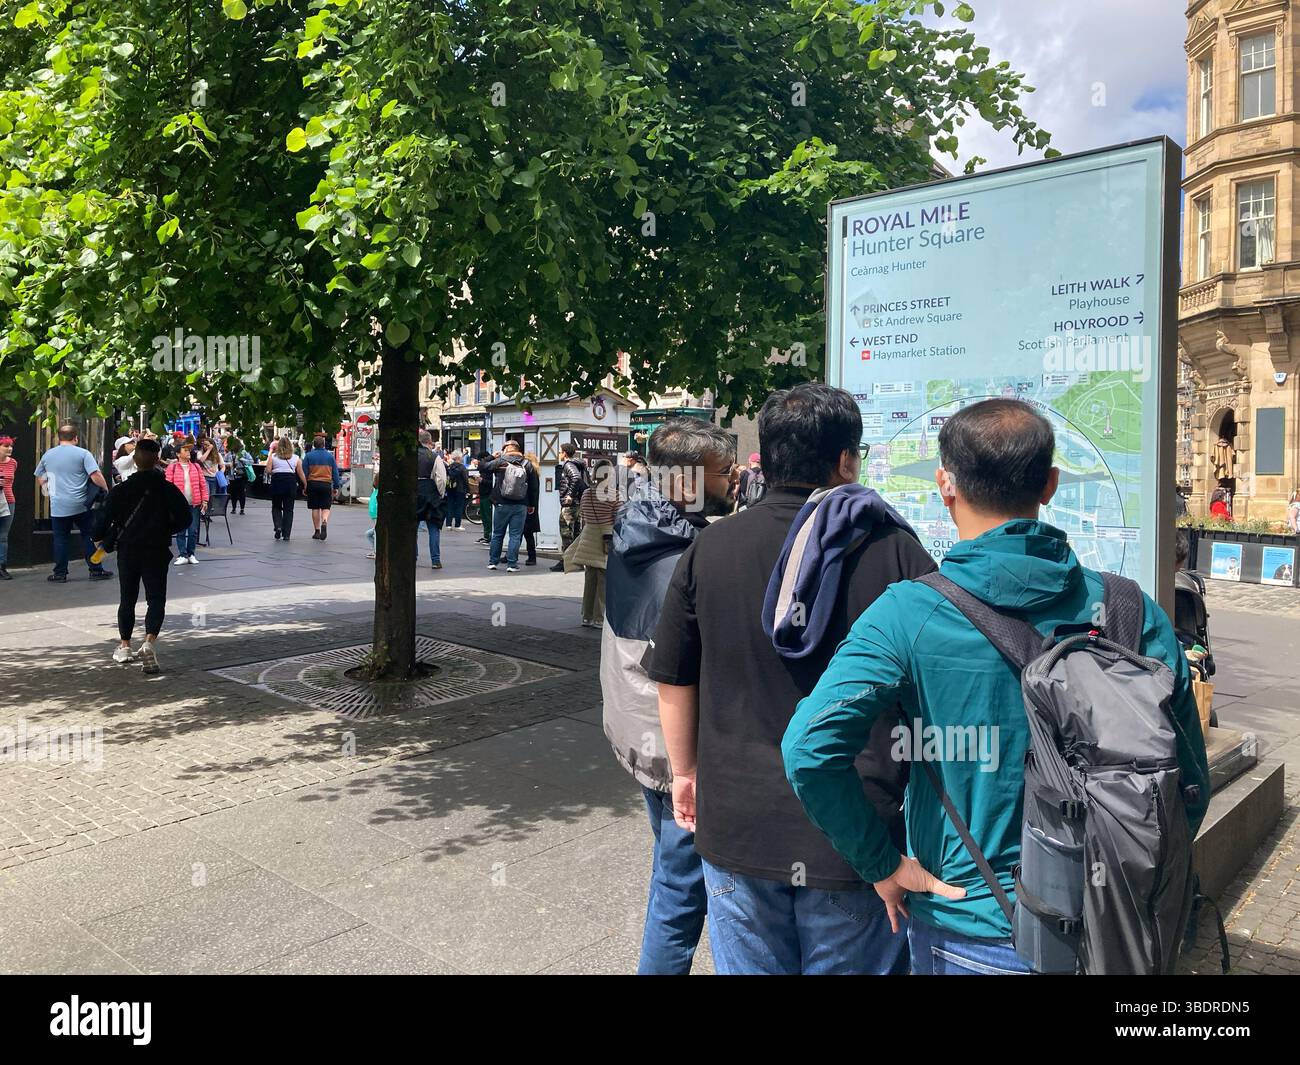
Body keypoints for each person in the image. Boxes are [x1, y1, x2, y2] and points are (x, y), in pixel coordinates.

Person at [781, 398, 1211, 976]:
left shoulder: (909, 613)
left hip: (971, 927)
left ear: (944, 485)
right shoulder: (1132, 611)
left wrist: (881, 864)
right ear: (1051, 485)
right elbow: (1188, 782)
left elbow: (809, 750)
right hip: (1119, 930)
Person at [648, 383, 933, 975]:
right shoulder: (894, 549)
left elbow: (673, 676)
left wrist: (684, 773)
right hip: (856, 835)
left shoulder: (711, 546)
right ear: (843, 461)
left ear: (767, 459)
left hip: (739, 826)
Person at [601, 417, 735, 974]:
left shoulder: (640, 525)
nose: (734, 481)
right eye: (723, 472)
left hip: (635, 730)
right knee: (681, 888)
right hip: (671, 745)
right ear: (684, 482)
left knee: (669, 864)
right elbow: (688, 668)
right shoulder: (689, 555)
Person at [97, 438, 193, 674]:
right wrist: (164, 529)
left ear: (136, 460)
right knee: (156, 598)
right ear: (156, 459)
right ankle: (149, 641)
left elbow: (101, 523)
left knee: (127, 598)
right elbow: (185, 518)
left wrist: (103, 537)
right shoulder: (167, 489)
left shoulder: (122, 490)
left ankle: (124, 646)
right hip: (157, 548)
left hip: (128, 549)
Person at [35, 424, 113, 584]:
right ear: (76, 437)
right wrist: (106, 489)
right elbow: (95, 475)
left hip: (58, 506)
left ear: (58, 437)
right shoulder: (83, 454)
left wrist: (49, 491)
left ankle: (59, 573)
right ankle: (96, 570)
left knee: (60, 539)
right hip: (81, 504)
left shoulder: (48, 455)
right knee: (89, 536)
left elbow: (41, 478)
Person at [564, 458, 620, 624]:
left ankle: (586, 616)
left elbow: (583, 516)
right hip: (606, 539)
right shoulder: (614, 495)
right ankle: (599, 618)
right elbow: (619, 518)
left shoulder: (587, 493)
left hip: (588, 536)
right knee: (604, 581)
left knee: (590, 580)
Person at [481, 441, 537, 572]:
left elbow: (482, 467)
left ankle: (493, 562)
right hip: (520, 504)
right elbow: (533, 487)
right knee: (515, 535)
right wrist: (532, 504)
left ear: (506, 449)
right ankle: (512, 564)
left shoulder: (500, 461)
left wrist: (491, 457)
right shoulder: (527, 464)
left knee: (498, 534)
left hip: (501, 503)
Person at [164, 438, 209, 564]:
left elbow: (202, 485)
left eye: (189, 450)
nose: (188, 452)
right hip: (179, 504)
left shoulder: (196, 467)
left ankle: (191, 553)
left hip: (194, 503)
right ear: (178, 454)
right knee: (180, 530)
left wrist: (205, 500)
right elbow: (168, 486)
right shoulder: (172, 468)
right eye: (185, 450)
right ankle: (182, 554)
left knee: (193, 530)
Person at [553, 441, 588, 571]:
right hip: (578, 503)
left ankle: (566, 562)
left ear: (565, 453)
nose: (559, 454)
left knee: (566, 531)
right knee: (576, 532)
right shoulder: (579, 464)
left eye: (560, 451)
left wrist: (570, 495)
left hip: (570, 505)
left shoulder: (568, 465)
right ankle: (577, 562)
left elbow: (576, 478)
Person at [415, 430, 447, 569]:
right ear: (429, 442)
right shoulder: (434, 457)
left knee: (412, 529)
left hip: (414, 492)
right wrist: (440, 494)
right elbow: (441, 479)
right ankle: (435, 560)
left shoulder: (410, 456)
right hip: (430, 494)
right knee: (433, 528)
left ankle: (412, 557)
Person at [267, 435, 307, 541]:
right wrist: (305, 484)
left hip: (277, 482)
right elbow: (300, 473)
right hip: (290, 483)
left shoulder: (273, 457)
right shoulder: (296, 458)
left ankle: (278, 526)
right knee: (289, 509)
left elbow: (268, 470)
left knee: (276, 506)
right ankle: (286, 534)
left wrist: (275, 470)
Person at [303, 434, 341, 541]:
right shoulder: (330, 457)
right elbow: (335, 473)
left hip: (313, 484)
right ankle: (324, 520)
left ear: (314, 445)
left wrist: (304, 486)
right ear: (324, 445)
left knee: (315, 508)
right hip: (326, 484)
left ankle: (317, 531)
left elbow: (304, 472)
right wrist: (336, 486)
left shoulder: (308, 456)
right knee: (326, 507)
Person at [0, 434, 17, 580]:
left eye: (11, 446)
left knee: (3, 536)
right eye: (6, 446)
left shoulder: (13, 463)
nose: (9, 448)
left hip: (9, 501)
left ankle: (2, 566)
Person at [522, 451, 543, 566]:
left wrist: (531, 506)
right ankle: (531, 556)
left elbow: (532, 490)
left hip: (528, 506)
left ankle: (531, 556)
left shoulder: (529, 470)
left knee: (524, 532)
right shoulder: (535, 471)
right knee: (526, 532)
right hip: (531, 505)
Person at [225, 436, 253, 515]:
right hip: (232, 475)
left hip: (241, 474)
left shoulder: (243, 453)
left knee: (241, 492)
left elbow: (251, 461)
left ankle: (242, 509)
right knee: (233, 492)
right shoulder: (229, 454)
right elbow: (223, 462)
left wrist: (241, 459)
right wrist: (229, 464)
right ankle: (234, 508)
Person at [445, 450, 470, 530]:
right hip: (460, 489)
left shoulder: (449, 466)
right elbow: (465, 479)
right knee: (459, 507)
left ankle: (448, 524)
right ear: (459, 458)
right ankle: (457, 525)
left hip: (450, 489)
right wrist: (468, 489)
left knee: (450, 506)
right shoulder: (462, 467)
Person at [366, 472, 379, 559]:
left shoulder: (377, 491)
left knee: (375, 533)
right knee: (369, 534)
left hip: (376, 515)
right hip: (374, 515)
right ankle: (376, 550)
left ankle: (376, 552)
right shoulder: (376, 491)